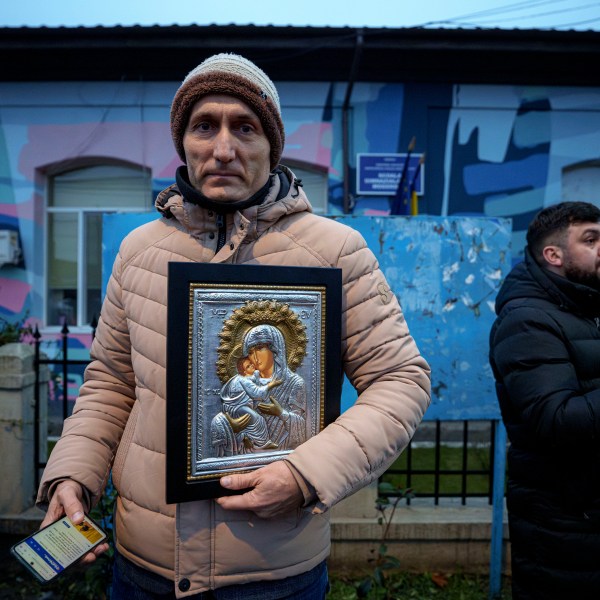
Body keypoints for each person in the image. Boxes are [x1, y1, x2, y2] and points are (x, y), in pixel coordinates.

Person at [37, 53, 431, 599]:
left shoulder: (333, 252)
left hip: (272, 568)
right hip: (144, 564)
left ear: (272, 146)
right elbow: (111, 381)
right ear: (184, 144)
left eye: (245, 127)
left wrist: (304, 476)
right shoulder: (140, 252)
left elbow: (401, 381)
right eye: (205, 126)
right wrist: (73, 474)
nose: (223, 148)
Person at [489, 201, 600, 600]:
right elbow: (556, 419)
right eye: (591, 239)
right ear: (553, 255)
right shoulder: (527, 321)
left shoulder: (583, 308)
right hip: (566, 522)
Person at [211, 355, 281, 455]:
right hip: (238, 408)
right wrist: (270, 385)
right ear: (244, 371)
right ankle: (262, 444)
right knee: (258, 419)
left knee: (254, 420)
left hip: (237, 407)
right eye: (248, 366)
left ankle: (252, 440)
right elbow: (257, 393)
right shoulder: (243, 380)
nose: (252, 365)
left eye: (251, 364)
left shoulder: (242, 378)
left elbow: (257, 381)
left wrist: (266, 380)